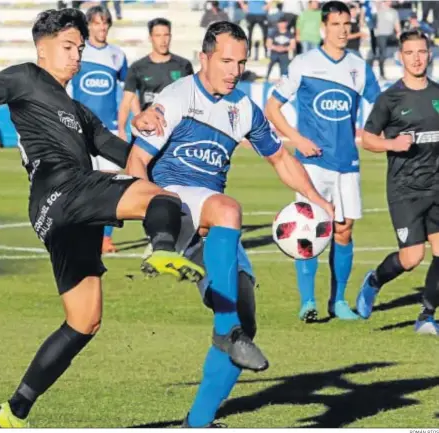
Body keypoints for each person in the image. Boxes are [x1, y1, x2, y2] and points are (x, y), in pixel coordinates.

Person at [0, 9, 205, 427]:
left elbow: (127, 155)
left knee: (84, 321)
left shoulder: (79, 113)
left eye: (81, 49)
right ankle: (161, 249)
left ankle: (13, 412)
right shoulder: (26, 78)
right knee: (162, 199)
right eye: (68, 47)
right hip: (64, 191)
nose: (77, 56)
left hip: (54, 214)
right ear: (42, 49)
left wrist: (155, 137)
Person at [126, 20, 334, 428]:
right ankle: (228, 331)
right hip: (173, 203)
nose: (233, 70)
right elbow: (137, 161)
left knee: (246, 314)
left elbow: (280, 158)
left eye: (240, 62)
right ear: (203, 57)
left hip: (210, 217)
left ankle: (198, 422)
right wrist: (154, 217)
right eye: (225, 60)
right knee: (228, 208)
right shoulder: (178, 95)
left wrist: (316, 198)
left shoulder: (244, 109)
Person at [265, 1, 381, 322]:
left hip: (347, 163)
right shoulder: (304, 63)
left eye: (347, 24)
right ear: (323, 28)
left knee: (343, 231)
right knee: (308, 231)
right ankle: (308, 302)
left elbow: (383, 107)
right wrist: (297, 139)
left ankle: (339, 301)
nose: (342, 30)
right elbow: (272, 109)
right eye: (335, 24)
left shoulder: (359, 67)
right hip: (312, 164)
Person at [356, 29, 439, 336]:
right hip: (405, 190)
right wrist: (393, 145)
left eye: (421, 52)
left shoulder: (437, 94)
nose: (417, 58)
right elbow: (367, 139)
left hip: (437, 186)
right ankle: (375, 280)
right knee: (412, 258)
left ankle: (426, 316)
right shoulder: (390, 98)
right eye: (410, 53)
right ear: (400, 57)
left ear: (429, 54)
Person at [69, 5, 127, 253]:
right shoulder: (77, 54)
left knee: (110, 183)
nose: (101, 28)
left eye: (105, 23)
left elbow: (128, 92)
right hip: (81, 128)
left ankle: (105, 237)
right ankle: (79, 232)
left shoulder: (118, 55)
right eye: (96, 23)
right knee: (80, 182)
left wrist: (123, 126)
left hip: (109, 129)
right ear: (88, 26)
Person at [117, 18, 193, 140]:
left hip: (177, 132)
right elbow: (126, 100)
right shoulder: (138, 67)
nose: (163, 40)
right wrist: (121, 130)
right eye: (158, 35)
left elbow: (192, 98)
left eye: (166, 35)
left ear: (171, 36)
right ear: (150, 38)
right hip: (150, 131)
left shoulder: (184, 65)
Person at [369, 0, 401, 80]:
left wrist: (399, 32)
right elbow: (375, 4)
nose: (389, 2)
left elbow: (397, 23)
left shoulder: (394, 12)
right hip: (381, 34)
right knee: (382, 54)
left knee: (404, 41)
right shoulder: (379, 9)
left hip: (390, 34)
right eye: (387, 1)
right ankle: (381, 74)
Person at [266, 16, 296, 80]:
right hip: (274, 53)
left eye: (283, 23)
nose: (282, 25)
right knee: (270, 65)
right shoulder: (273, 33)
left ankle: (283, 80)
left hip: (284, 54)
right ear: (277, 24)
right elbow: (268, 43)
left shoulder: (290, 34)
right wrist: (276, 48)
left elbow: (293, 45)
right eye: (280, 23)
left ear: (286, 23)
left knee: (284, 69)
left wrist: (284, 49)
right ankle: (266, 78)